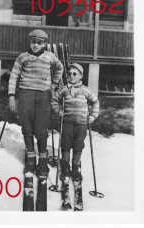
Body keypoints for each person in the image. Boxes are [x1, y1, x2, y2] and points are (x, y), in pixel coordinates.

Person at [8, 29, 63, 176]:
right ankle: (31, 160)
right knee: (27, 127)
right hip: (25, 93)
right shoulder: (23, 57)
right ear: (29, 42)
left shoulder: (50, 57)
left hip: (43, 95)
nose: (36, 45)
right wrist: (11, 96)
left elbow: (60, 67)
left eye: (39, 43)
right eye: (33, 42)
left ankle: (43, 162)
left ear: (44, 44)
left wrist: (53, 84)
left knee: (41, 129)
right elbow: (14, 76)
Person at [50, 63, 99, 181]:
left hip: (81, 124)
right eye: (69, 74)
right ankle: (65, 168)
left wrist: (93, 115)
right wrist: (58, 110)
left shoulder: (86, 90)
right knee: (65, 145)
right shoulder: (64, 90)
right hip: (67, 122)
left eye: (74, 74)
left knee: (78, 146)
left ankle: (75, 169)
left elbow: (95, 102)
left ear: (81, 76)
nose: (71, 76)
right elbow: (53, 99)